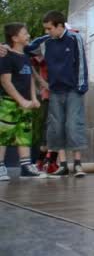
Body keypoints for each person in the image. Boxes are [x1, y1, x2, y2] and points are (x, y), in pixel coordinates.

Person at [0, 11, 90, 177]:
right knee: (56, 128)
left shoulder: (74, 38)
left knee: (73, 125)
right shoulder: (46, 41)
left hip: (73, 90)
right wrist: (4, 46)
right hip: (55, 91)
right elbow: (23, 48)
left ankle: (77, 165)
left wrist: (81, 87)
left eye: (49, 28)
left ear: (59, 26)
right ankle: (62, 165)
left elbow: (82, 63)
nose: (47, 31)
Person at [0, 22, 45, 180]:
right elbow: (6, 82)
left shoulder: (25, 57)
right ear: (14, 38)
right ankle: (0, 166)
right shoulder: (6, 56)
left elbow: (30, 79)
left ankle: (26, 166)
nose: (28, 36)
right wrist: (20, 100)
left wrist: (33, 99)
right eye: (24, 33)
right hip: (9, 102)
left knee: (24, 134)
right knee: (4, 134)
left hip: (26, 102)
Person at [30, 55, 59, 173]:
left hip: (61, 98)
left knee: (57, 130)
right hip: (49, 98)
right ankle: (42, 162)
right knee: (48, 130)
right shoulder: (43, 57)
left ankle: (49, 162)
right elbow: (31, 59)